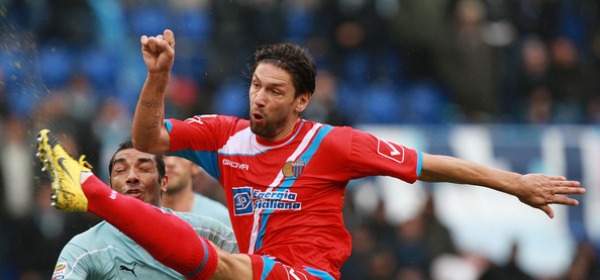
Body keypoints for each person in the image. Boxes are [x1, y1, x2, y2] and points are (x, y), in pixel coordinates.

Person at [37, 29, 584, 280]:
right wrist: (157, 78)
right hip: (258, 273)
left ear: (302, 100)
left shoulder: (334, 143)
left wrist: (515, 183)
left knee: (222, 266)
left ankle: (92, 194)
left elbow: (432, 164)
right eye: (255, 85)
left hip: (306, 277)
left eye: (275, 92)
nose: (259, 97)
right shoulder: (226, 136)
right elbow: (151, 140)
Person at [45, 139, 238, 279]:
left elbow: (255, 268)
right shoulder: (84, 248)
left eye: (144, 169)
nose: (131, 177)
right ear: (110, 186)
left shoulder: (209, 231)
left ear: (164, 182)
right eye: (120, 171)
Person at [162, 155, 231, 226]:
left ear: (195, 166)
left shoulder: (220, 219)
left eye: (180, 155)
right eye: (163, 156)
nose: (170, 162)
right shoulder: (149, 218)